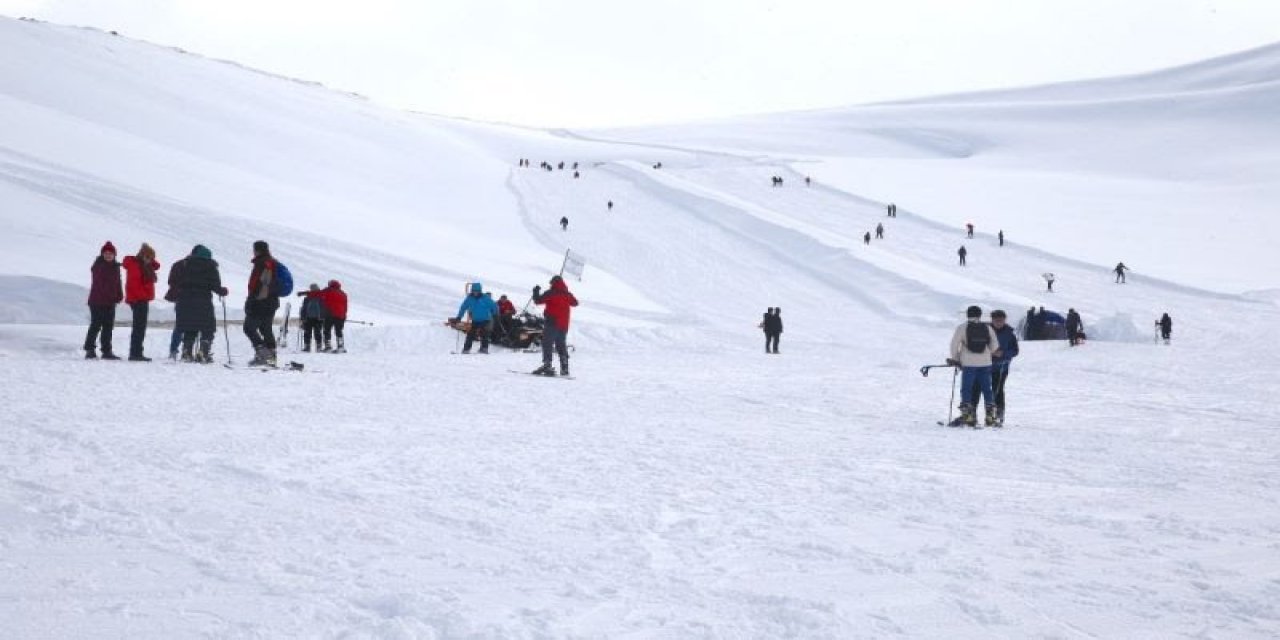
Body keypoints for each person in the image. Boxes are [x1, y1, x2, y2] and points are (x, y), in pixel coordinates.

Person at [946, 305, 1000, 427]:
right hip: (985, 362)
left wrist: (956, 359)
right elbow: (995, 345)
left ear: (967, 315)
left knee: (967, 388)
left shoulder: (962, 328)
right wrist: (987, 352)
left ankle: (968, 416)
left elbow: (954, 345)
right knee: (987, 389)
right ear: (980, 315)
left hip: (968, 363)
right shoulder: (987, 327)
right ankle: (990, 417)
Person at [173, 245, 228, 363]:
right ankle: (203, 352)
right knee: (208, 328)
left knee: (189, 326)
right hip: (203, 301)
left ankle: (186, 353)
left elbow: (175, 281)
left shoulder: (184, 265)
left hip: (185, 300)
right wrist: (223, 291)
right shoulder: (210, 266)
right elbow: (215, 286)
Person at [531, 275, 578, 375]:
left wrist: (535, 291)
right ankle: (564, 368)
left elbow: (538, 301)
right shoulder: (567, 294)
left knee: (547, 343)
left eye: (551, 283)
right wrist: (567, 294)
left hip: (552, 322)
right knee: (561, 345)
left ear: (553, 283)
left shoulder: (551, 293)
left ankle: (547, 365)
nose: (550, 284)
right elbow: (575, 303)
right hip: (564, 325)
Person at [244, 240, 281, 366]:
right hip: (272, 301)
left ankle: (264, 355)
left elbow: (255, 284)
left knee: (248, 328)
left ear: (257, 250)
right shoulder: (273, 262)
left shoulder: (261, 263)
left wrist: (252, 299)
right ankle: (271, 358)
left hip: (261, 301)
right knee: (266, 329)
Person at [84, 241, 124, 359]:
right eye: (106, 253)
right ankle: (89, 349)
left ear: (114, 255)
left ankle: (106, 351)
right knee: (96, 325)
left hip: (110, 302)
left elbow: (118, 283)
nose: (108, 255)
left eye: (110, 253)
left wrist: (119, 295)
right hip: (97, 301)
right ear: (102, 254)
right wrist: (112, 295)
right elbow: (100, 284)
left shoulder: (116, 267)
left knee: (108, 326)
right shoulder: (98, 266)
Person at [121, 242, 160, 361]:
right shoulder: (135, 265)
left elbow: (157, 265)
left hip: (142, 299)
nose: (149, 260)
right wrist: (140, 297)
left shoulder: (146, 266)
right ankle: (135, 353)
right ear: (142, 255)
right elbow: (133, 284)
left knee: (140, 327)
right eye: (147, 257)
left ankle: (137, 352)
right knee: (139, 327)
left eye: (151, 257)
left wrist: (150, 261)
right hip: (138, 299)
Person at [988, 310, 1019, 426]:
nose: (998, 323)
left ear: (1005, 320)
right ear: (992, 320)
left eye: (1001, 320)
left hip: (1002, 367)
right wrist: (991, 353)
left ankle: (999, 414)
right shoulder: (986, 331)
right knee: (985, 390)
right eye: (996, 320)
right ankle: (987, 413)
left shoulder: (1009, 333)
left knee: (998, 390)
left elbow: (1015, 350)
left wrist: (1003, 354)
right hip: (985, 365)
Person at [453, 282, 497, 354]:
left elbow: (494, 305)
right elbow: (463, 308)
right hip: (475, 320)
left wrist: (495, 314)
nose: (475, 293)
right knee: (470, 334)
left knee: (484, 334)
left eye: (477, 291)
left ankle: (484, 348)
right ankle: (466, 349)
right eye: (474, 291)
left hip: (485, 319)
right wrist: (459, 317)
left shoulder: (485, 298)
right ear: (472, 291)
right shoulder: (469, 298)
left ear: (480, 291)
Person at [164, 253, 189, 359]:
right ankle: (183, 350)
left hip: (180, 298)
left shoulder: (177, 265)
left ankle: (174, 350)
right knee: (185, 325)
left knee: (179, 325)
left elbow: (170, 281)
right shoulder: (193, 266)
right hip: (187, 298)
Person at [320, 279, 348, 353]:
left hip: (330, 313)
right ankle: (341, 346)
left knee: (327, 330)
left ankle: (328, 346)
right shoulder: (343, 294)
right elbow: (345, 306)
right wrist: (344, 316)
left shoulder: (328, 290)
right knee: (339, 331)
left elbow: (319, 295)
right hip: (340, 315)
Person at [296, 284, 325, 352]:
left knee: (312, 333)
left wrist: (302, 317)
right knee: (311, 333)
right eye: (312, 288)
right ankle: (315, 347)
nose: (313, 289)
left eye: (314, 288)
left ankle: (310, 347)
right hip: (312, 318)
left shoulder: (320, 296)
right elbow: (304, 308)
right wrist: (302, 317)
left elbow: (304, 308)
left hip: (316, 318)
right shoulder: (317, 297)